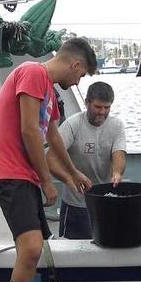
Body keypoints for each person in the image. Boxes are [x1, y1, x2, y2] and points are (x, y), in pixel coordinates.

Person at [0, 37, 97, 282]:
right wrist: (47, 181)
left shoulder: (48, 90)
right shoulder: (34, 73)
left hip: (25, 176)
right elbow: (30, 130)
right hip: (10, 172)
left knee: (35, 252)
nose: (77, 81)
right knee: (32, 248)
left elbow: (52, 134)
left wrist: (72, 173)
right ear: (75, 64)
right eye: (81, 75)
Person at [48, 81, 126, 239]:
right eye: (98, 107)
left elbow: (119, 153)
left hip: (105, 202)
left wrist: (117, 172)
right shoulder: (72, 124)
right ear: (87, 102)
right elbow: (50, 160)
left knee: (107, 243)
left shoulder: (116, 125)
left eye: (107, 107)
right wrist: (70, 180)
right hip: (76, 204)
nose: (102, 112)